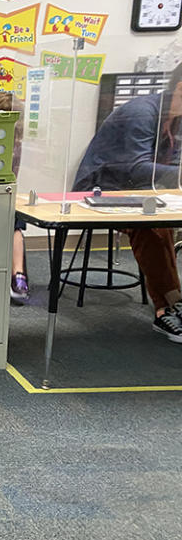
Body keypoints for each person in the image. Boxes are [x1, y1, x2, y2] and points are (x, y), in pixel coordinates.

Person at [72, 61, 182, 342]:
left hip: (143, 191)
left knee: (161, 223)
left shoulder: (174, 118)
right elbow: (136, 167)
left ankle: (173, 303)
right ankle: (167, 309)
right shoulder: (142, 112)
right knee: (151, 226)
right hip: (101, 188)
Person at [0, 92, 29, 303]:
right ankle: (19, 276)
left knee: (12, 224)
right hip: (4, 197)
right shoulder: (16, 145)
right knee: (15, 228)